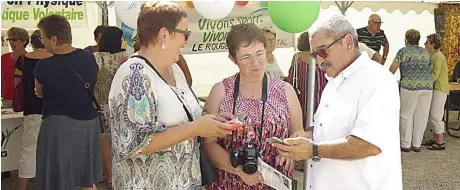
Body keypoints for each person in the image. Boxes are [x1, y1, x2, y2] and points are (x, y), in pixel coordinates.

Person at [108, 2, 234, 189]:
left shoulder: (175, 70)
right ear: (164, 34)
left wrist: (212, 120)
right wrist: (197, 128)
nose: (186, 40)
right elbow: (136, 142)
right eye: (185, 34)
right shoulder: (135, 74)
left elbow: (186, 118)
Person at [272, 14, 402, 190]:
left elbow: (369, 144)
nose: (318, 60)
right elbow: (330, 129)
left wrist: (313, 149)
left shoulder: (377, 79)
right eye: (314, 53)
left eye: (323, 51)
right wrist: (308, 136)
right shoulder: (334, 80)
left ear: (348, 42)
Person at [203, 23, 308, 189]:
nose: (256, 63)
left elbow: (297, 132)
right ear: (233, 59)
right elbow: (208, 143)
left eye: (260, 53)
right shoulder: (221, 91)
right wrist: (239, 171)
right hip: (229, 183)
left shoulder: (285, 90)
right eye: (246, 57)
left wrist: (291, 150)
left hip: (274, 182)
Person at [34, 14, 103, 190]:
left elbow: (39, 92)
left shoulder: (43, 66)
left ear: (54, 39)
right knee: (86, 179)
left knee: (59, 179)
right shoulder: (89, 57)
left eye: (43, 37)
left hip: (58, 126)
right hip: (88, 124)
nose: (42, 42)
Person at [13, 30, 51, 190]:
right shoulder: (54, 58)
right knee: (52, 151)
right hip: (53, 110)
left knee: (28, 150)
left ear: (32, 43)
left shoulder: (23, 60)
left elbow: (16, 84)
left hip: (31, 108)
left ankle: (21, 187)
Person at [93, 26, 129, 189]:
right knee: (123, 138)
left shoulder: (94, 58)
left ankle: (110, 175)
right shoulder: (127, 57)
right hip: (123, 104)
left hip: (101, 105)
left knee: (105, 141)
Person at [390, 29, 433, 152]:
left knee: (406, 115)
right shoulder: (425, 52)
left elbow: (393, 68)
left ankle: (405, 144)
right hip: (427, 86)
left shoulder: (403, 52)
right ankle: (417, 144)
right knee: (422, 115)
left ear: (406, 39)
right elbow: (429, 67)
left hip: (409, 86)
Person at [287, 31, 327, 128]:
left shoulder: (297, 56)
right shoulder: (321, 57)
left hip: (301, 97)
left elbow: (291, 77)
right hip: (319, 97)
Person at [422, 33, 449, 151]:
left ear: (433, 43)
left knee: (436, 115)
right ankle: (435, 138)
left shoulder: (437, 56)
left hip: (439, 88)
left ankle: (440, 142)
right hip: (436, 88)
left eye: (427, 42)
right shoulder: (434, 55)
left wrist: (425, 83)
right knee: (433, 113)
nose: (425, 44)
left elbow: (435, 74)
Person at [2, 27, 29, 108]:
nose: (11, 42)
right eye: (9, 39)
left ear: (24, 41)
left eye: (14, 40)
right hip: (6, 99)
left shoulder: (30, 58)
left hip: (25, 100)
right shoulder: (4, 58)